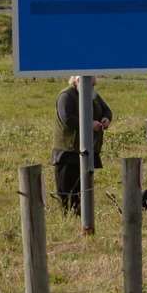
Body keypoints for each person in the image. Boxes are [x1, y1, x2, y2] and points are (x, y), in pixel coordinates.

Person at [52, 76, 111, 216]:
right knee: (67, 193)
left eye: (92, 84)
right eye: (88, 83)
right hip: (68, 153)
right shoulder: (66, 96)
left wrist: (106, 119)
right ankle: (68, 219)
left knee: (83, 191)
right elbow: (67, 119)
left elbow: (106, 110)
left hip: (87, 152)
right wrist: (90, 124)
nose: (91, 87)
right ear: (77, 80)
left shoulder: (92, 94)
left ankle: (82, 216)